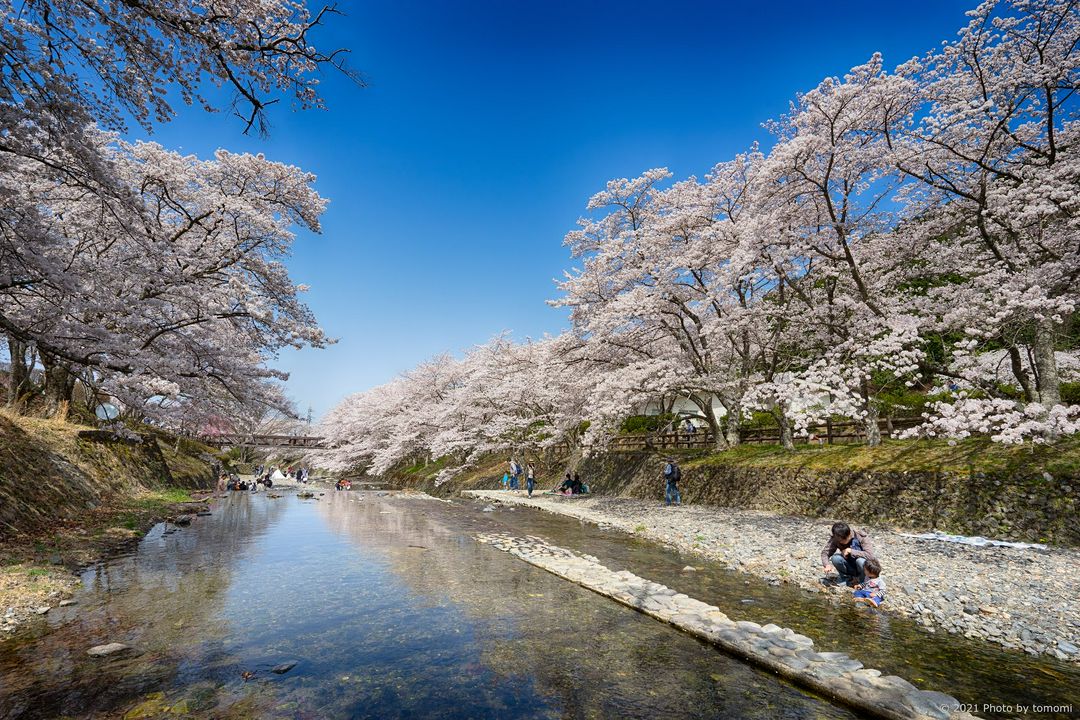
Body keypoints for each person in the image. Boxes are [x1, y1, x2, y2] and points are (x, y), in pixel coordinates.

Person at [821, 522, 876, 586]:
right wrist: (827, 565)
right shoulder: (836, 538)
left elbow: (870, 556)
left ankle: (863, 582)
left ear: (849, 534)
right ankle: (847, 579)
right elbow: (825, 553)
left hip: (864, 568)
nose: (840, 542)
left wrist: (851, 551)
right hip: (850, 565)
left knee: (860, 561)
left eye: (842, 540)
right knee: (835, 558)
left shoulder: (860, 536)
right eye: (838, 540)